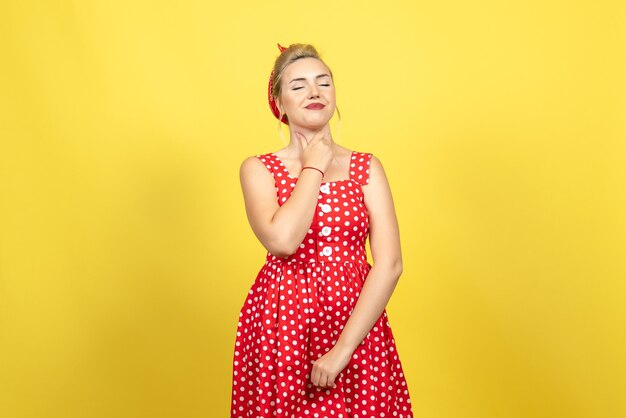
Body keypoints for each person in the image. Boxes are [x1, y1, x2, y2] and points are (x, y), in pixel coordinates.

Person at [231, 43, 413, 417]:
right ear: (278, 103)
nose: (314, 92)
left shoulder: (367, 167)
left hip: (357, 324)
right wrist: (314, 166)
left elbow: (390, 263)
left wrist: (344, 348)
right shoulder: (258, 169)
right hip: (284, 326)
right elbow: (283, 241)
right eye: (298, 86)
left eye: (323, 83)